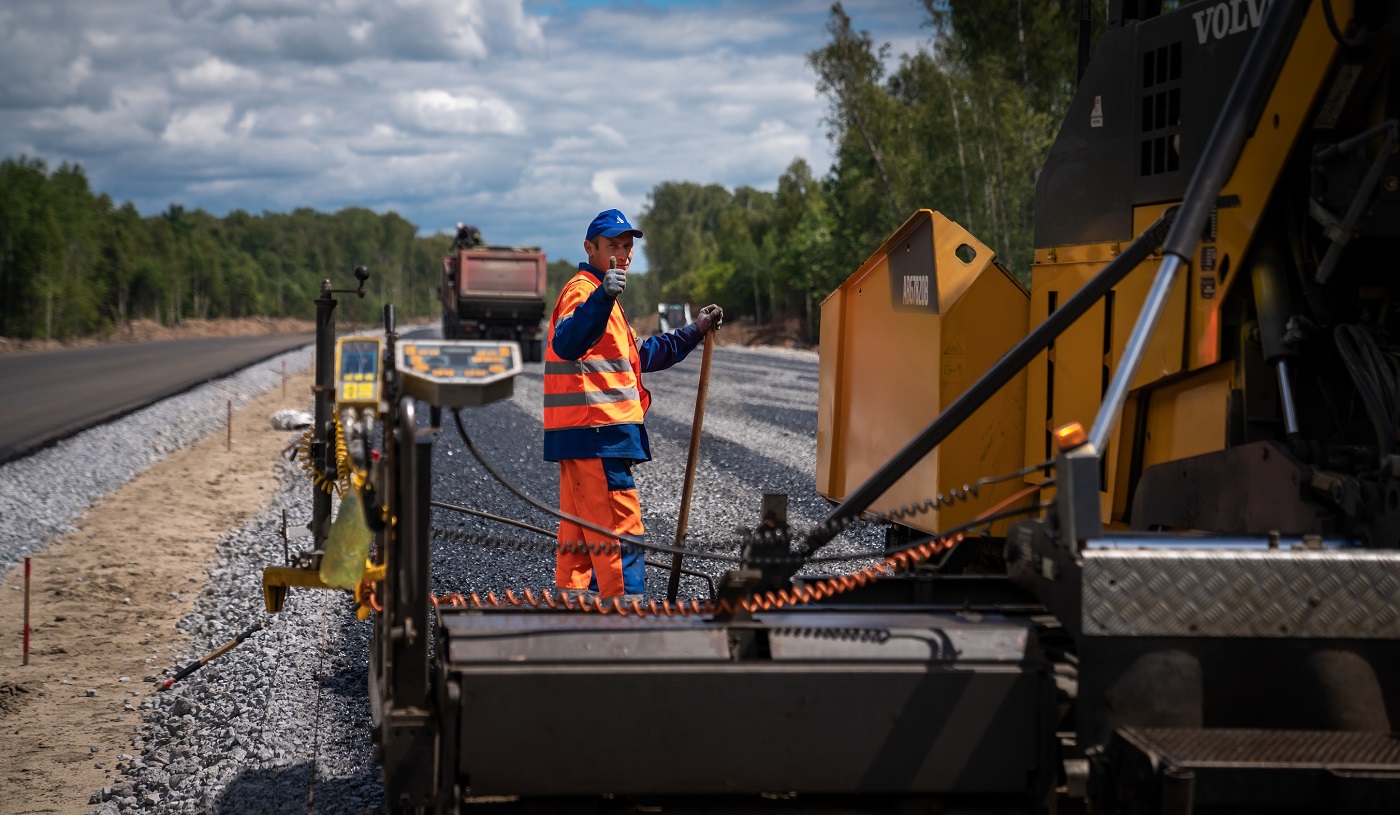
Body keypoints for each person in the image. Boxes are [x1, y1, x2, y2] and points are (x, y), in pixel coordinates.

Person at [543, 208, 722, 604]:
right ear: (590, 248)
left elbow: (640, 357)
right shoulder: (585, 291)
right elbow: (568, 342)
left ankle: (572, 619)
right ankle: (627, 625)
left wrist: (695, 331)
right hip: (597, 433)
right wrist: (603, 295)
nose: (622, 254)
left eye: (627, 247)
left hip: (583, 437)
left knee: (582, 542)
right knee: (618, 533)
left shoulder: (604, 300)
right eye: (612, 246)